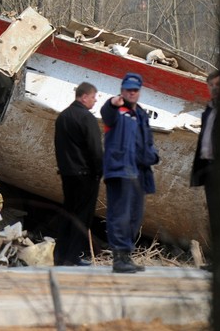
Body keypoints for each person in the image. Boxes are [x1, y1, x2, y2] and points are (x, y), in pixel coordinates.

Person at [101, 72, 160, 273]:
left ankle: (127, 255)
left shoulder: (141, 114)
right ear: (122, 91)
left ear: (139, 91)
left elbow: (147, 142)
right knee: (120, 214)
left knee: (135, 216)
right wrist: (111, 102)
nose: (131, 93)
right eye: (128, 90)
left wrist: (153, 156)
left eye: (135, 90)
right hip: (120, 171)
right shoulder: (116, 110)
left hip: (138, 173)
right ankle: (119, 258)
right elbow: (106, 113)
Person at [53, 82, 103, 266]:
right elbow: (95, 149)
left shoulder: (63, 117)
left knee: (68, 213)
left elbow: (59, 147)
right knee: (82, 216)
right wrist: (99, 171)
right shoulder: (86, 118)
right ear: (83, 97)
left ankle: (60, 255)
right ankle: (71, 257)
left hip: (67, 174)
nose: (95, 101)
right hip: (86, 175)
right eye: (93, 97)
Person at [190, 70, 220, 207]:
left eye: (218, 84)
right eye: (211, 84)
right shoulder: (208, 110)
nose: (214, 88)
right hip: (208, 168)